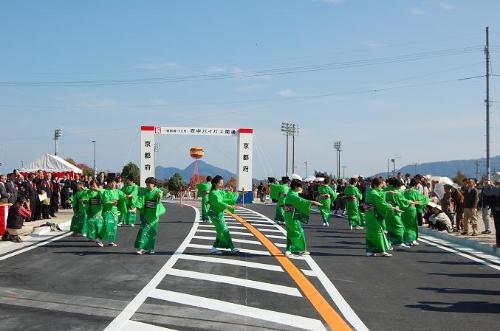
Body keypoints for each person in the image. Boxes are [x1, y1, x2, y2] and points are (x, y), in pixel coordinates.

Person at [283, 177, 322, 256]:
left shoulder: (291, 193)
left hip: (288, 215)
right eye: (300, 187)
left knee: (291, 233)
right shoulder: (292, 195)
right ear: (296, 187)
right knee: (299, 232)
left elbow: (299, 201)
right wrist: (313, 202)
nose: (301, 188)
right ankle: (301, 250)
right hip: (292, 216)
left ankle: (288, 250)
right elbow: (301, 201)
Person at [365, 177, 401, 257]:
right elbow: (382, 203)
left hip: (369, 214)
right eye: (381, 185)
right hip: (372, 215)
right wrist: (392, 207)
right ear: (376, 185)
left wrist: (389, 192)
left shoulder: (370, 191)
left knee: (371, 233)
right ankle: (382, 251)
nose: (382, 187)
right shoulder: (374, 193)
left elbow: (381, 193)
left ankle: (370, 251)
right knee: (379, 232)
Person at [207, 175, 239, 254]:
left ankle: (214, 248)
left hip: (219, 214)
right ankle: (232, 248)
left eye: (222, 183)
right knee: (225, 230)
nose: (222, 184)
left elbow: (226, 195)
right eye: (220, 183)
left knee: (220, 231)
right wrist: (230, 206)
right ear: (215, 183)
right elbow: (219, 203)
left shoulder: (218, 191)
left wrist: (239, 193)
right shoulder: (213, 193)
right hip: (215, 215)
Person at [135, 177, 166, 255]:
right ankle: (142, 248)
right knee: (143, 231)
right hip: (145, 214)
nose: (148, 186)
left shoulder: (158, 191)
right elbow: (140, 200)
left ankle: (151, 248)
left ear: (154, 184)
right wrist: (136, 206)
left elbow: (159, 197)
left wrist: (159, 196)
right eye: (147, 184)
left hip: (154, 216)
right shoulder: (144, 191)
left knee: (152, 233)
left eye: (149, 184)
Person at [385, 178, 413, 248]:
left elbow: (401, 192)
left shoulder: (389, 189)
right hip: (394, 210)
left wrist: (406, 190)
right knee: (399, 227)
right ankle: (399, 242)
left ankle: (389, 242)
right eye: (400, 185)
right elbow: (401, 200)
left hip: (387, 210)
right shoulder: (396, 192)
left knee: (390, 227)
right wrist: (409, 202)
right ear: (398, 186)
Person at [98, 178, 126, 247]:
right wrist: (112, 203)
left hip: (115, 211)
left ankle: (111, 241)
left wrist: (128, 197)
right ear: (108, 184)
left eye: (114, 183)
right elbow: (105, 201)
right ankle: (99, 238)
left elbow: (123, 197)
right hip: (107, 211)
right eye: (111, 183)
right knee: (106, 225)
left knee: (113, 227)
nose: (113, 184)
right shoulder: (106, 192)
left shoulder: (118, 191)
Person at [403, 179, 428, 246]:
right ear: (415, 185)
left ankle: (406, 240)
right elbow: (422, 200)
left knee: (405, 225)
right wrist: (426, 199)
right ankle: (412, 239)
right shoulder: (415, 192)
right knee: (412, 225)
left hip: (404, 210)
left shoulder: (404, 191)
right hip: (411, 209)